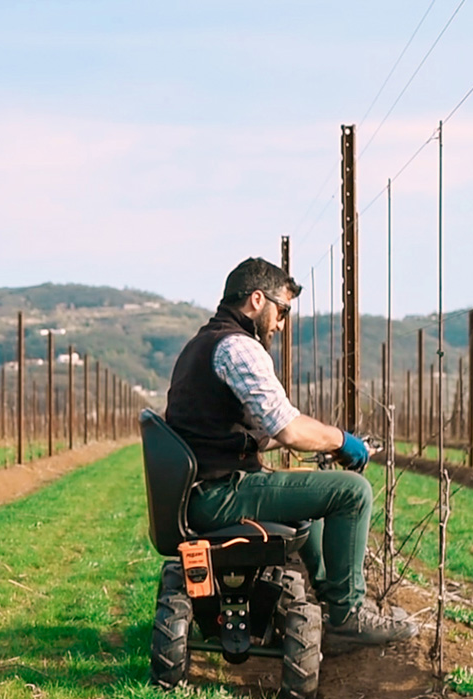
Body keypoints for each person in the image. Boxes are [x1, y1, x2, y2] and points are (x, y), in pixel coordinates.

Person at [164, 256, 416, 652]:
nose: (281, 324)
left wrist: (320, 440)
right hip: (221, 493)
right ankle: (347, 615)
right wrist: (342, 442)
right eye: (282, 311)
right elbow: (288, 428)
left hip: (202, 490)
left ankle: (323, 601)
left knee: (310, 500)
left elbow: (256, 433)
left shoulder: (203, 343)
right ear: (258, 300)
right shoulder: (238, 347)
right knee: (351, 492)